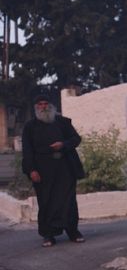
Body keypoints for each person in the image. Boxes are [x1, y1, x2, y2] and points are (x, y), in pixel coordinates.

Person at [21, 94, 86, 247]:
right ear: (36, 107)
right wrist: (31, 170)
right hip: (42, 171)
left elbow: (76, 139)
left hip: (65, 169)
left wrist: (63, 145)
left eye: (46, 104)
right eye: (40, 104)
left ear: (51, 105)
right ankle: (48, 235)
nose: (44, 107)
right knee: (46, 202)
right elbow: (27, 150)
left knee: (68, 201)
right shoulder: (30, 127)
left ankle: (73, 231)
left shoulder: (63, 122)